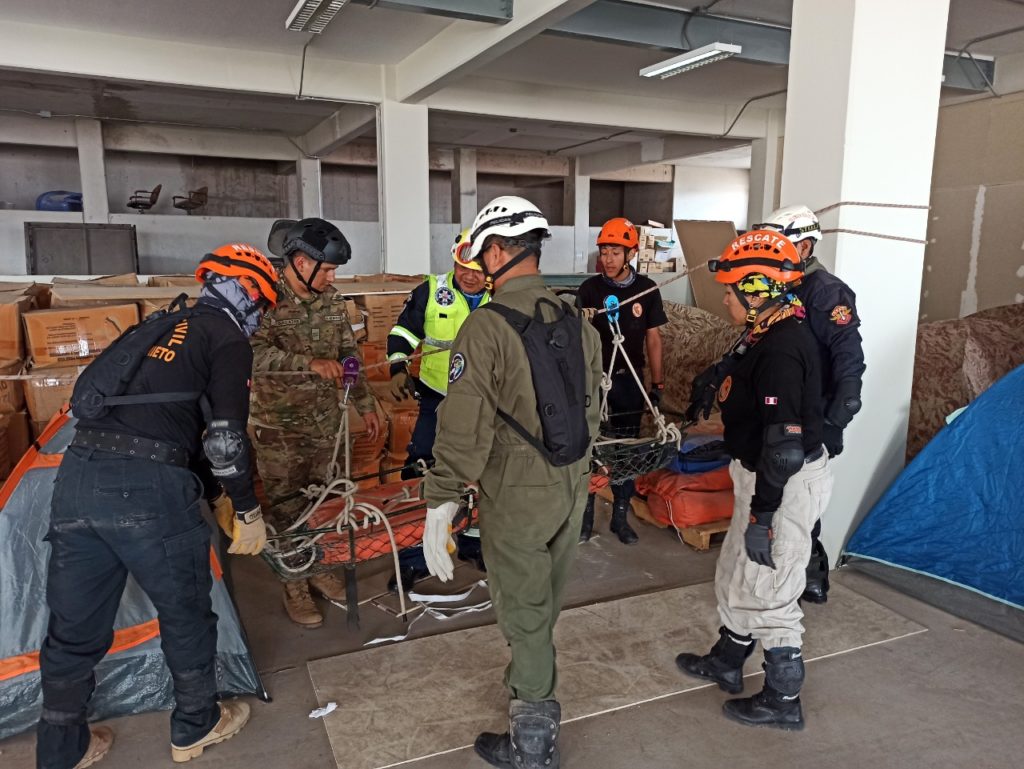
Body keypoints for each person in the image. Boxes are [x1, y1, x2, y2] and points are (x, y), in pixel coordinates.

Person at [36, 244, 279, 768]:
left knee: (72, 629)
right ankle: (195, 725)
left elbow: (171, 415)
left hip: (76, 478)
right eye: (263, 305)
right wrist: (246, 508)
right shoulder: (227, 337)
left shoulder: (159, 325)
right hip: (148, 489)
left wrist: (213, 494)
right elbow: (223, 440)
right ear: (249, 292)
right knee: (185, 612)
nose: (261, 318)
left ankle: (60, 750)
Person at [420, 196, 603, 768]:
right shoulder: (578, 321)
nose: (478, 267)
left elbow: (464, 422)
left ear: (498, 251)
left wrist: (441, 498)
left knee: (523, 608)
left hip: (517, 490)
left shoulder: (485, 326)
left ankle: (532, 740)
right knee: (544, 599)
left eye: (481, 256)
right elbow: (593, 410)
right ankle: (529, 674)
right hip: (573, 481)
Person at [674, 230, 832, 731]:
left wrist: (764, 516)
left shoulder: (785, 349)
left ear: (758, 290)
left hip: (781, 485)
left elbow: (784, 448)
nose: (724, 299)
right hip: (759, 476)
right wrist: (715, 377)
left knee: (771, 587)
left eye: (731, 290)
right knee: (737, 571)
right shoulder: (768, 327)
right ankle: (727, 660)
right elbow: (743, 356)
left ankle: (783, 699)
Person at [687, 205, 864, 603]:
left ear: (804, 246)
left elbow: (847, 356)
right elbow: (755, 337)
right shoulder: (774, 287)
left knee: (794, 509)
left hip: (806, 410)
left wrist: (835, 417)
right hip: (777, 405)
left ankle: (808, 576)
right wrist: (718, 374)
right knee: (776, 504)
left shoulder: (824, 292)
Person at [250, 218, 380, 628]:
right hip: (279, 428)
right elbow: (250, 352)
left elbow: (349, 355)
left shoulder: (332, 302)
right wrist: (307, 362)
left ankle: (319, 568)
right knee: (287, 509)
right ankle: (295, 585)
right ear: (301, 262)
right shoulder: (263, 299)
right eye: (326, 270)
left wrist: (366, 404)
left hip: (325, 424)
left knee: (323, 503)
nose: (332, 278)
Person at [384, 228, 489, 589]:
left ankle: (474, 543)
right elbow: (402, 333)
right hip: (436, 396)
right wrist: (398, 368)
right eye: (463, 267)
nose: (469, 276)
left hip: (484, 401)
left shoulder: (502, 297)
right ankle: (414, 557)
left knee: (482, 469)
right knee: (422, 468)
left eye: (477, 270)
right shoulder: (431, 291)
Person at [576, 217, 667, 544]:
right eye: (604, 252)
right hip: (594, 380)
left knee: (626, 449)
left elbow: (653, 339)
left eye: (615, 252)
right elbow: (576, 339)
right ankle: (585, 517)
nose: (608, 259)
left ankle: (619, 517)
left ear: (630, 254)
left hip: (630, 380)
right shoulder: (589, 290)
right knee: (590, 446)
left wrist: (657, 386)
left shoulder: (647, 289)